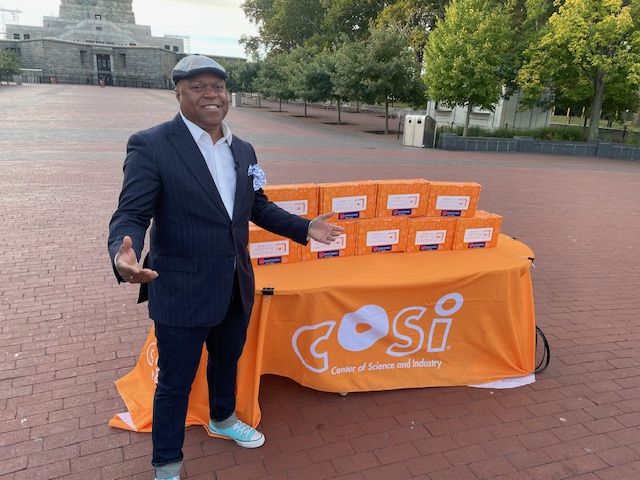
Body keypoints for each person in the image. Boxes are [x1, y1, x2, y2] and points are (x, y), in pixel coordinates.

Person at [107, 54, 344, 480]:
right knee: (175, 381)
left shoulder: (243, 149)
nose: (210, 94)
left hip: (234, 283)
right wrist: (122, 253)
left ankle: (222, 418)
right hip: (179, 288)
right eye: (197, 86)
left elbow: (256, 207)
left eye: (217, 86)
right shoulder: (151, 145)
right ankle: (167, 463)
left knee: (225, 361)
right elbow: (132, 214)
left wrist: (305, 228)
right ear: (177, 92)